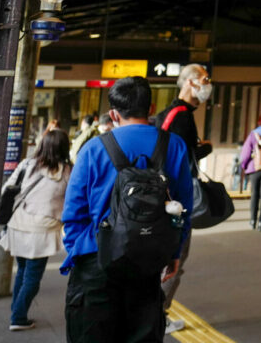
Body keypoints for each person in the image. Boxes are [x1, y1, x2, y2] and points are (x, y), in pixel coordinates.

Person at [62, 76, 193, 343]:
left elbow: (73, 213)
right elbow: (183, 208)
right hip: (146, 258)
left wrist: (78, 251)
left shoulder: (94, 148)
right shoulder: (174, 145)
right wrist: (174, 252)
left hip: (96, 258)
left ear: (113, 113)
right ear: (151, 107)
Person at [154, 63, 214, 334]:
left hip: (167, 198)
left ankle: (153, 314)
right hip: (174, 201)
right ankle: (157, 316)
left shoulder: (175, 113)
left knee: (167, 259)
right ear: (190, 82)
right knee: (174, 259)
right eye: (205, 78)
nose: (208, 83)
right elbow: (173, 159)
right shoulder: (180, 116)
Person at [0, 129, 72, 332]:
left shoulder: (27, 164)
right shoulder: (67, 171)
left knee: (23, 270)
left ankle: (17, 312)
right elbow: (72, 202)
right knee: (32, 277)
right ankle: (18, 316)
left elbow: (7, 190)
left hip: (18, 225)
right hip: (43, 231)